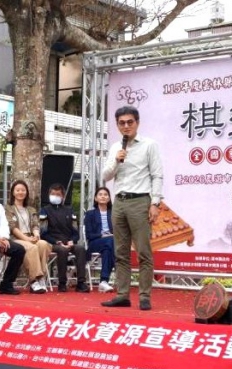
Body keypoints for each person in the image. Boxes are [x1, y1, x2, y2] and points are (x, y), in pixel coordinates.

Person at [100, 105, 163, 311]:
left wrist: (155, 203)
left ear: (137, 123)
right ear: (117, 125)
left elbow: (157, 175)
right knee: (121, 252)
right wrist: (117, 161)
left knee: (144, 252)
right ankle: (122, 295)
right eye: (122, 123)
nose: (126, 126)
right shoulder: (115, 148)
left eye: (130, 122)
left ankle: (144, 296)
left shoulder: (149, 145)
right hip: (119, 202)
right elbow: (106, 176)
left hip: (140, 201)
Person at [41, 183, 90, 293]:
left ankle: (81, 283)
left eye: (58, 194)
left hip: (69, 241)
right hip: (53, 242)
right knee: (62, 250)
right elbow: (43, 233)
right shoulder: (44, 210)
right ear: (49, 195)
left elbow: (76, 232)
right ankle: (62, 283)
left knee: (81, 248)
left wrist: (72, 241)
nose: (55, 196)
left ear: (63, 196)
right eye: (53, 194)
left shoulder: (70, 211)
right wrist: (56, 242)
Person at [5, 179, 52, 294]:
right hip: (16, 239)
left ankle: (41, 277)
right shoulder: (8, 208)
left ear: (26, 192)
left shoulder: (31, 209)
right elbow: (12, 227)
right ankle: (34, 281)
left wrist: (36, 235)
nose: (20, 192)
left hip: (31, 236)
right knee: (32, 247)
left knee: (43, 244)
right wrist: (27, 239)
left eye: (23, 190)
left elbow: (35, 225)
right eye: (18, 190)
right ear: (13, 192)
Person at [84, 187, 116, 294]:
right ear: (95, 198)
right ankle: (119, 272)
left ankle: (103, 281)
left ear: (109, 198)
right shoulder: (90, 214)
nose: (103, 196)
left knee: (108, 250)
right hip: (95, 242)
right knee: (110, 241)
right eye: (100, 194)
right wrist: (102, 235)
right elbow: (89, 235)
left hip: (111, 243)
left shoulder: (114, 213)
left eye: (106, 194)